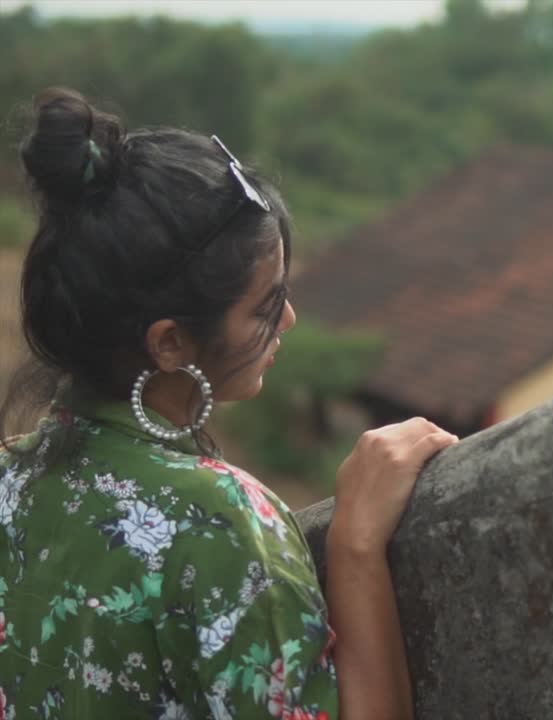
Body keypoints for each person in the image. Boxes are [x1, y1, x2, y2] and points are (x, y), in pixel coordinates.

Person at [0, 88, 456, 719]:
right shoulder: (220, 519)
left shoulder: (12, 476)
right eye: (264, 307)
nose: (288, 319)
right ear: (170, 342)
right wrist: (355, 543)